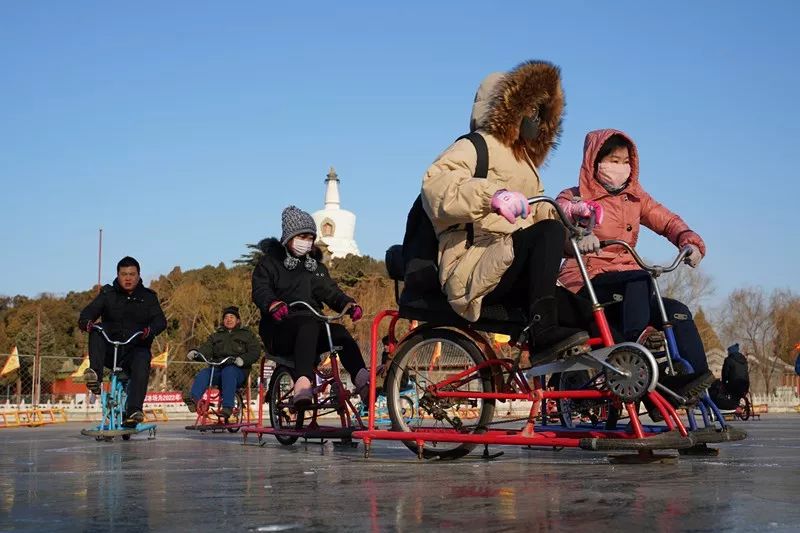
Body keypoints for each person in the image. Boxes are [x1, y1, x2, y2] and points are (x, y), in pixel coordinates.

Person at [419, 60, 593, 360]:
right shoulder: (475, 146)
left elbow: (541, 213)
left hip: (512, 266)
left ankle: (642, 384)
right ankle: (542, 331)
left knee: (586, 311)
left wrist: (570, 214)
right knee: (547, 234)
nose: (536, 118)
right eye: (531, 109)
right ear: (509, 107)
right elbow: (436, 187)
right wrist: (492, 196)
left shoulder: (525, 163)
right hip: (472, 265)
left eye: (542, 112)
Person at [556, 129, 714, 402]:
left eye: (625, 161)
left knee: (677, 312)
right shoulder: (574, 199)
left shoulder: (636, 198)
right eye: (613, 160)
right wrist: (577, 238)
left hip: (629, 289)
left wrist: (688, 241)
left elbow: (666, 221)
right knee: (640, 277)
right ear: (595, 161)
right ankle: (635, 350)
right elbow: (557, 224)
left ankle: (697, 384)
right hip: (587, 281)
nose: (620, 167)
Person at [251, 205, 368, 408]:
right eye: (301, 237)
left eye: (310, 237)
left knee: (338, 333)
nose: (306, 242)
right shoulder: (270, 264)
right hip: (280, 328)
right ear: (289, 237)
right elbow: (261, 289)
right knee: (308, 325)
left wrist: (348, 304)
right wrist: (272, 304)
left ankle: (362, 379)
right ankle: (303, 383)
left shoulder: (314, 267)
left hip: (311, 325)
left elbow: (330, 291)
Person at [78, 256, 167, 427]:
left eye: (132, 274)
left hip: (135, 350)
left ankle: (134, 410)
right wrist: (86, 322)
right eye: (124, 274)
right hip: (111, 351)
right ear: (118, 275)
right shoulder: (107, 294)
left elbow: (160, 321)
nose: (128, 278)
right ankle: (95, 376)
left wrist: (149, 331)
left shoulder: (148, 297)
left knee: (142, 359)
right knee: (97, 329)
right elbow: (88, 312)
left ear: (139, 275)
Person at [184, 306, 261, 421]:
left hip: (238, 371)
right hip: (218, 369)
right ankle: (194, 400)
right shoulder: (216, 335)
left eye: (231, 317)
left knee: (229, 371)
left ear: (238, 320)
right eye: (226, 317)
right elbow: (206, 348)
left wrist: (243, 360)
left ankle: (228, 407)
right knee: (205, 373)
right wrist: (196, 353)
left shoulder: (246, 335)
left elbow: (255, 351)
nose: (228, 319)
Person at [709, 344, 750, 409]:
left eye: (728, 351)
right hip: (745, 385)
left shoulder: (728, 360)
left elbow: (725, 373)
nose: (728, 353)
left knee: (722, 389)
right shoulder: (744, 360)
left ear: (731, 351)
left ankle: (725, 406)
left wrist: (723, 383)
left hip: (734, 386)